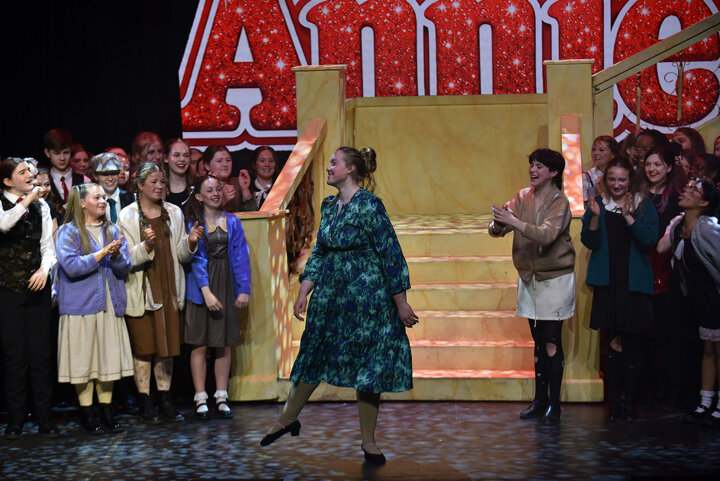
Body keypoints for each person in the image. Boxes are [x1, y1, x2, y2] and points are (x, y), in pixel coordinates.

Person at [260, 146, 418, 465]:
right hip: (331, 298)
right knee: (314, 354)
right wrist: (304, 289)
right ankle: (288, 418)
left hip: (367, 299)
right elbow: (320, 251)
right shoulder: (329, 206)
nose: (329, 167)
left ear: (350, 169)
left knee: (369, 366)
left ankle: (368, 440)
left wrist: (401, 301)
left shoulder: (370, 205)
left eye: (334, 163)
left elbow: (390, 252)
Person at [490, 148, 576, 424]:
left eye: (539, 166)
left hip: (554, 279)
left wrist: (513, 221)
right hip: (529, 277)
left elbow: (548, 235)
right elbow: (497, 228)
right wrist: (498, 223)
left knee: (551, 341)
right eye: (532, 165)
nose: (533, 170)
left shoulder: (559, 201)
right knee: (538, 342)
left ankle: (555, 405)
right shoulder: (522, 196)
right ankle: (539, 401)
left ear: (553, 172)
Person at [117, 162, 204, 424]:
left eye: (162, 182)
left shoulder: (174, 212)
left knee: (166, 348)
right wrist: (145, 246)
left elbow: (180, 254)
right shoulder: (127, 216)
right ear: (140, 185)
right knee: (144, 348)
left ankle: (165, 400)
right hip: (142, 289)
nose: (159, 186)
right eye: (153, 182)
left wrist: (190, 243)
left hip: (169, 287)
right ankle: (145, 401)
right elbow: (125, 259)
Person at [581, 156, 658, 421]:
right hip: (609, 284)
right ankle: (615, 403)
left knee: (633, 344)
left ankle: (630, 404)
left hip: (634, 284)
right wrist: (595, 217)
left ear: (630, 181)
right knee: (612, 344)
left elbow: (648, 241)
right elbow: (589, 241)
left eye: (621, 180)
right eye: (612, 179)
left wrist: (628, 217)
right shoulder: (598, 204)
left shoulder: (643, 205)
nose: (616, 184)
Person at [55, 184, 134, 434]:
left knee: (106, 357)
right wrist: (102, 253)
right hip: (81, 304)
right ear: (82, 203)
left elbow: (124, 268)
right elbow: (71, 266)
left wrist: (117, 256)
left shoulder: (112, 230)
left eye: (103, 197)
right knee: (84, 360)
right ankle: (87, 412)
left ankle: (107, 410)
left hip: (109, 302)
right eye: (96, 197)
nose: (102, 201)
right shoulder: (68, 231)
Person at [0, 158, 58, 439]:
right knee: (15, 355)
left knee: (40, 354)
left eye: (30, 172)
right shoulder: (4, 204)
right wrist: (28, 200)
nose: (30, 176)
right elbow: (4, 224)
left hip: (37, 288)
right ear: (7, 181)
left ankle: (45, 419)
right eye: (22, 172)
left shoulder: (42, 206)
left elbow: (48, 247)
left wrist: (44, 270)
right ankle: (16, 420)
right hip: (8, 289)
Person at [184, 175, 251, 420]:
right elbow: (196, 259)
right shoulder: (194, 223)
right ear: (199, 196)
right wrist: (206, 292)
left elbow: (241, 255)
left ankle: (221, 396)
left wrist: (244, 288)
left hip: (226, 283)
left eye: (218, 189)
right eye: (210, 190)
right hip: (201, 286)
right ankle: (200, 397)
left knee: (224, 342)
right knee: (200, 343)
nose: (216, 194)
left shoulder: (232, 221)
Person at [657, 178, 720, 425]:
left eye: (695, 190)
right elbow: (663, 249)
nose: (687, 190)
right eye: (688, 186)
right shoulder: (679, 225)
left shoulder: (708, 228)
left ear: (704, 203)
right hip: (702, 300)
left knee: (717, 350)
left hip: (715, 298)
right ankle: (705, 402)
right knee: (708, 350)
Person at [640, 144, 687, 408]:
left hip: (668, 269)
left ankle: (670, 388)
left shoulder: (679, 198)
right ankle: (646, 386)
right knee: (644, 331)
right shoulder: (638, 195)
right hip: (642, 266)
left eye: (657, 164)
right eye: (648, 164)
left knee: (669, 333)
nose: (652, 169)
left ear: (669, 167)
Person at [43, 128, 85, 219]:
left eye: (66, 152)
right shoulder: (42, 182)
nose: (62, 158)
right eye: (57, 153)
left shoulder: (84, 180)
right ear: (47, 153)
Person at [203, 145, 257, 212]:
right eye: (219, 161)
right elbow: (204, 214)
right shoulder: (201, 186)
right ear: (207, 166)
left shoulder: (237, 183)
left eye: (228, 160)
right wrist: (224, 199)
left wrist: (245, 189)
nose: (225, 164)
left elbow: (253, 212)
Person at [92, 153, 134, 224]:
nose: (110, 178)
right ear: (95, 176)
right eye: (105, 174)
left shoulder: (131, 198)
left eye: (114, 173)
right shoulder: (89, 202)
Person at [583, 136, 620, 206]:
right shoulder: (587, 177)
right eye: (593, 150)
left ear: (613, 154)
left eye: (601, 150)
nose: (595, 153)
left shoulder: (621, 174)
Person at [163, 138, 192, 208]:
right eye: (176, 155)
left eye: (186, 155)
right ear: (166, 158)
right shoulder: (159, 188)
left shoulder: (197, 187)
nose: (182, 159)